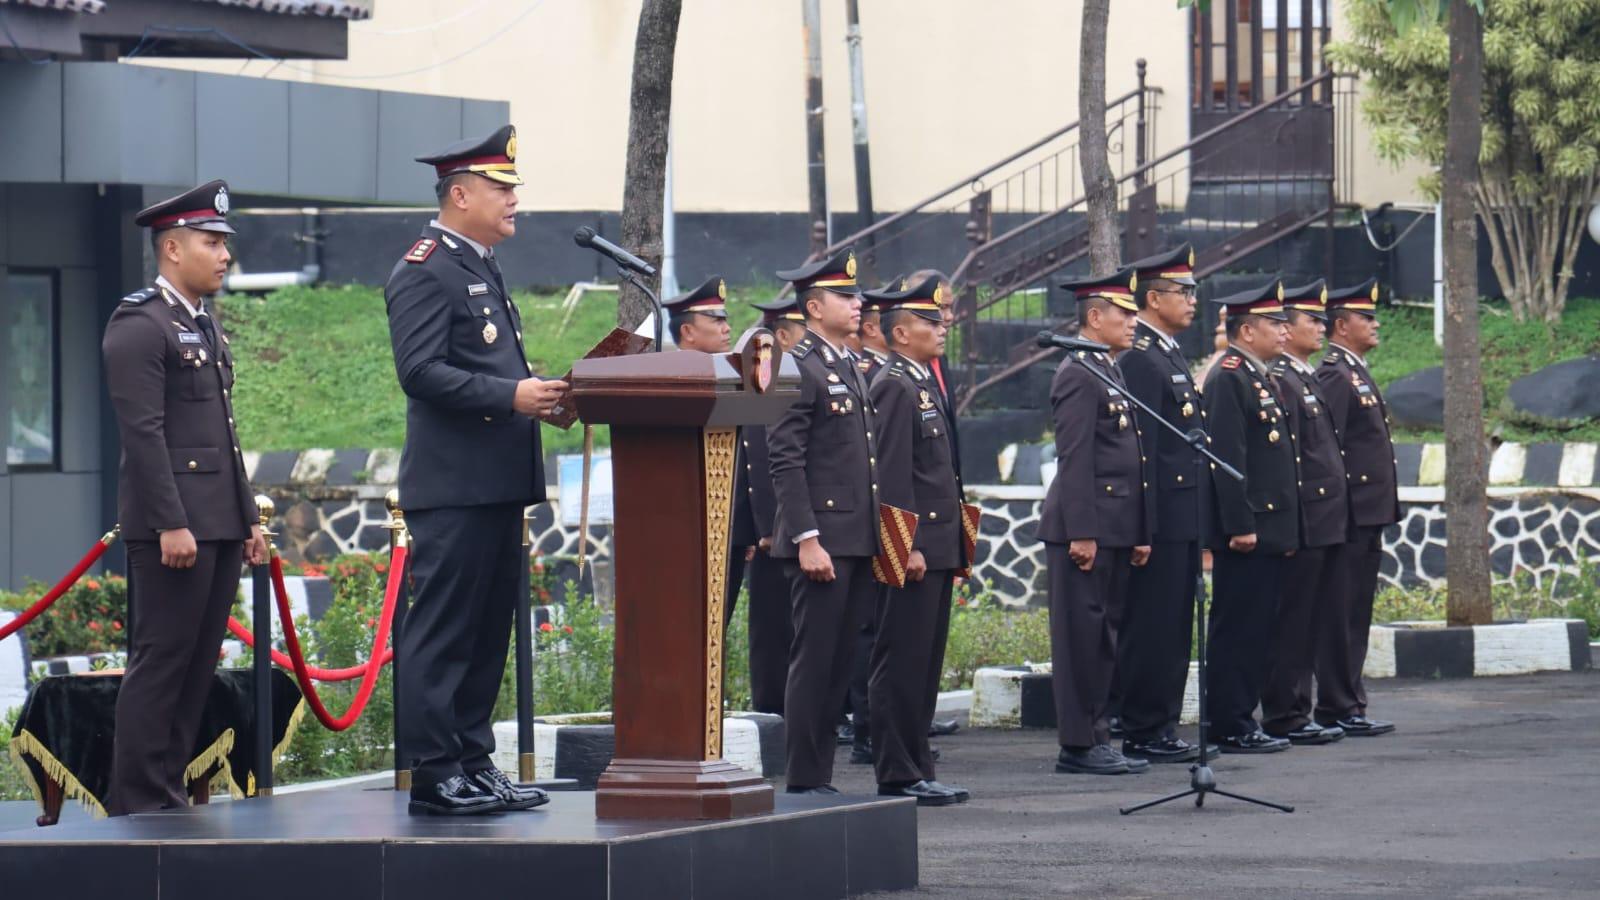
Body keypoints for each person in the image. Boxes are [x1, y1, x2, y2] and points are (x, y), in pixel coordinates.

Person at [385, 125, 565, 815]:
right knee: (445, 631)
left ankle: (471, 760)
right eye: (502, 188)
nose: (514, 200)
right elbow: (421, 372)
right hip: (453, 487)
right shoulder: (425, 266)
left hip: (493, 484)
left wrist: (540, 398)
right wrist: (511, 395)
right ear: (460, 194)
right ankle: (434, 772)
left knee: (487, 632)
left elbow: (490, 369)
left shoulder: (478, 263)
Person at [103, 181, 269, 816]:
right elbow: (143, 434)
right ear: (172, 248)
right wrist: (171, 523)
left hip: (218, 524)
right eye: (212, 241)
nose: (225, 253)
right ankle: (138, 798)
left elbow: (222, 435)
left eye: (225, 242)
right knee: (163, 661)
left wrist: (247, 517)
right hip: (173, 530)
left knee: (197, 664)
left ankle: (166, 790)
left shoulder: (200, 321)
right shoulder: (140, 323)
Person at [767, 246, 881, 795]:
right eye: (846, 295)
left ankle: (821, 776)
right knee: (815, 660)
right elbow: (785, 458)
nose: (858, 303)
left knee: (840, 662)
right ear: (814, 307)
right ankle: (805, 778)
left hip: (854, 538)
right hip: (822, 541)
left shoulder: (844, 363)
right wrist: (806, 538)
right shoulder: (796, 365)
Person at [1037, 266, 1153, 776]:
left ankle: (1098, 733)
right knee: (1082, 640)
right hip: (1084, 529)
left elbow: (1132, 455)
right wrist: (1083, 531)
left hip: (1115, 526)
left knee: (1105, 637)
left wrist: (1139, 531)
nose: (1133, 322)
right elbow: (1076, 458)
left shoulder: (1107, 368)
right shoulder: (1077, 374)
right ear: (1094, 316)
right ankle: (1079, 743)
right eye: (1125, 314)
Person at [866, 276, 970, 805]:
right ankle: (898, 771)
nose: (942, 326)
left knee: (924, 663)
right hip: (914, 549)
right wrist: (904, 546)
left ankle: (918, 764)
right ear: (901, 333)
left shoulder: (922, 380)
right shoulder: (893, 383)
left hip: (938, 545)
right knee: (901, 659)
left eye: (941, 319)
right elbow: (892, 474)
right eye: (931, 321)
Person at [1114, 244, 1209, 764]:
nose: (1193, 300)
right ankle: (1145, 727)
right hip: (1162, 518)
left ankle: (1162, 725)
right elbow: (1145, 449)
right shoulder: (1142, 358)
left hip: (1184, 514)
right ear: (1153, 298)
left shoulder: (1165, 352)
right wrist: (1143, 526)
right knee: (1153, 626)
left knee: (1174, 626)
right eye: (1183, 291)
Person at [1202, 277, 1298, 754]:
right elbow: (1228, 459)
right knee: (1237, 629)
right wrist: (1239, 524)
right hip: (1248, 532)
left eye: (1284, 323)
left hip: (1270, 528)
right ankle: (1229, 721)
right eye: (1273, 324)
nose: (1284, 331)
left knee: (1258, 629)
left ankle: (1244, 716)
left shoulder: (1258, 375)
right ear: (1245, 331)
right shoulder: (1229, 376)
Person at [1260, 281, 1349, 746]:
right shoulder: (1283, 379)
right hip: (1306, 519)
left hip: (1324, 518)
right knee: (1292, 622)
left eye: (1320, 320)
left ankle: (1300, 708)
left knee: (1309, 620)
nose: (1320, 327)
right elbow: (1289, 460)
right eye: (1309, 320)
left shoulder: (1305, 376)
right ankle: (1284, 712)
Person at [1314, 278, 1399, 738]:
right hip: (1349, 515)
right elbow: (1332, 450)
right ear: (1341, 325)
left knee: (1356, 613)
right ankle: (1336, 705)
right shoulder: (1334, 373)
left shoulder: (1356, 370)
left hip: (1369, 514)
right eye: (1367, 317)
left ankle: (1350, 702)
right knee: (1340, 614)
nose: (1376, 323)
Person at [665, 277, 747, 641]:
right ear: (688, 331)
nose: (727, 327)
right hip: (684, 525)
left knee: (716, 631)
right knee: (685, 630)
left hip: (729, 526)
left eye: (726, 319)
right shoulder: (667, 382)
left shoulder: (731, 377)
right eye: (715, 320)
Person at [742, 298, 807, 715]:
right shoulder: (766, 362)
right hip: (774, 527)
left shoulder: (790, 366)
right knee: (772, 627)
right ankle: (772, 714)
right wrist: (767, 525)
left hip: (796, 519)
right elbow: (761, 450)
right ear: (782, 334)